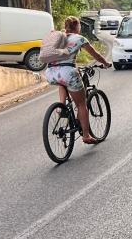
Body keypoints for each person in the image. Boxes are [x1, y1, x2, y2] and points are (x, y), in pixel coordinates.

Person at [44, 16, 111, 144]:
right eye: (79, 25)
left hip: (51, 73)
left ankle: (62, 107)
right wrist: (106, 63)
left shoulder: (57, 37)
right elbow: (95, 54)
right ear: (76, 26)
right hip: (67, 72)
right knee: (81, 104)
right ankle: (86, 136)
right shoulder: (79, 39)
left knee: (62, 81)